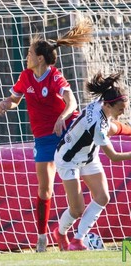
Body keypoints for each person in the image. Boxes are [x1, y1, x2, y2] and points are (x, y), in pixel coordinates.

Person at [0, 20, 94, 252]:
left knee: (83, 185)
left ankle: (74, 232)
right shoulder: (26, 76)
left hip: (67, 134)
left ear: (40, 58)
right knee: (45, 189)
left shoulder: (55, 77)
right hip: (43, 138)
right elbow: (15, 100)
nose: (26, 56)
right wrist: (5, 103)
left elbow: (72, 102)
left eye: (29, 53)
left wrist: (63, 116)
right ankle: (42, 237)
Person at [53, 72, 131, 251]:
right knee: (77, 209)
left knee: (103, 197)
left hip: (88, 156)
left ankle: (77, 240)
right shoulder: (97, 125)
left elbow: (114, 127)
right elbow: (114, 157)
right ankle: (61, 233)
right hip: (68, 159)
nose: (122, 113)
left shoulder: (101, 106)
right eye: (120, 109)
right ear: (108, 105)